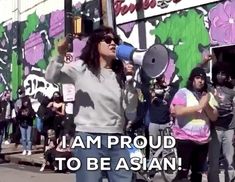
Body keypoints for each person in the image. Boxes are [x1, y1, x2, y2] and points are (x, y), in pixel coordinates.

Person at [45, 26, 138, 182]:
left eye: (115, 41)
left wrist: (130, 81)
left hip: (116, 138)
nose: (113, 44)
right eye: (108, 40)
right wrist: (60, 55)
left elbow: (130, 109)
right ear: (96, 43)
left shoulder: (119, 74)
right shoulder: (82, 68)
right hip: (88, 138)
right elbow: (51, 77)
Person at [170, 67, 218, 182]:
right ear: (192, 79)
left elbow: (214, 116)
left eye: (202, 79)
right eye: (197, 78)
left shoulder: (208, 95)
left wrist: (206, 105)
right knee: (183, 174)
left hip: (202, 141)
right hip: (184, 138)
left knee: (197, 173)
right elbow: (177, 111)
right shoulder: (183, 92)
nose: (200, 81)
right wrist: (199, 106)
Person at [208, 63, 235, 182]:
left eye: (223, 74)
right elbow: (197, 71)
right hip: (215, 130)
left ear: (227, 75)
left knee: (229, 163)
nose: (220, 76)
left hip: (229, 130)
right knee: (213, 163)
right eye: (218, 73)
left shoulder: (232, 90)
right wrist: (204, 62)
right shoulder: (210, 87)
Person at [17, 89, 35, 155]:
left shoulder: (29, 105)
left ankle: (29, 149)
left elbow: (33, 114)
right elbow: (17, 114)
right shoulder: (18, 103)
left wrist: (29, 114)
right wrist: (20, 113)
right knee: (23, 138)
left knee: (29, 138)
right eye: (19, 93)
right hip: (22, 123)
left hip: (29, 123)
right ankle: (24, 149)